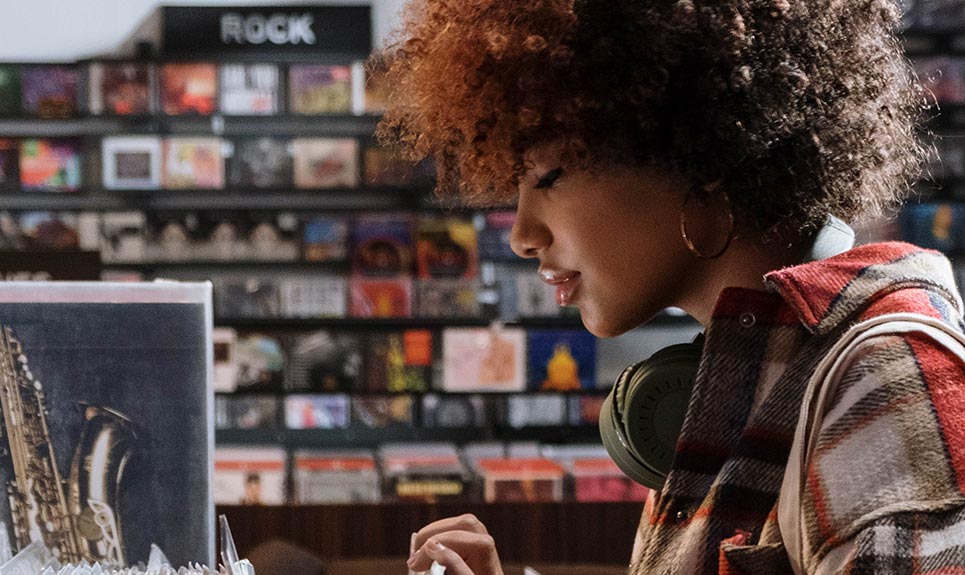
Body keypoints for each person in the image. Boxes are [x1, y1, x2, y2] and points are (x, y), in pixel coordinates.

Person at [376, 0, 965, 573]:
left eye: (549, 177)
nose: (522, 236)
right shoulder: (734, 379)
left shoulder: (889, 381)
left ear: (695, 153)